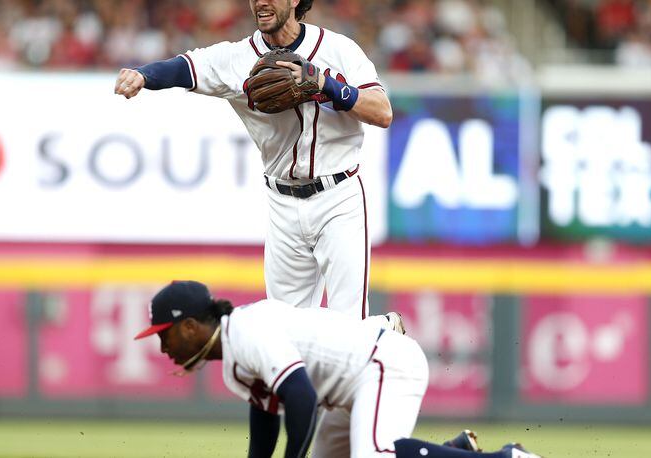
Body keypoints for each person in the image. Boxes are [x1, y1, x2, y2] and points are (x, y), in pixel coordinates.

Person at [115, 0, 392, 318]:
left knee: (349, 328)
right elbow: (184, 68)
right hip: (282, 204)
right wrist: (143, 75)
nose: (261, 1)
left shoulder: (339, 49)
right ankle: (381, 329)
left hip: (339, 198)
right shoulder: (236, 58)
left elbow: (382, 112)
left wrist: (326, 84)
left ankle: (378, 334)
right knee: (286, 329)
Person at [134, 281, 541, 458]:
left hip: (382, 364)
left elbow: (302, 398)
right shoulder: (232, 364)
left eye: (164, 335)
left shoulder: (247, 330)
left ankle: (506, 457)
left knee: (376, 456)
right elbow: (266, 420)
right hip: (350, 391)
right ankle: (454, 450)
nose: (163, 346)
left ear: (189, 326)